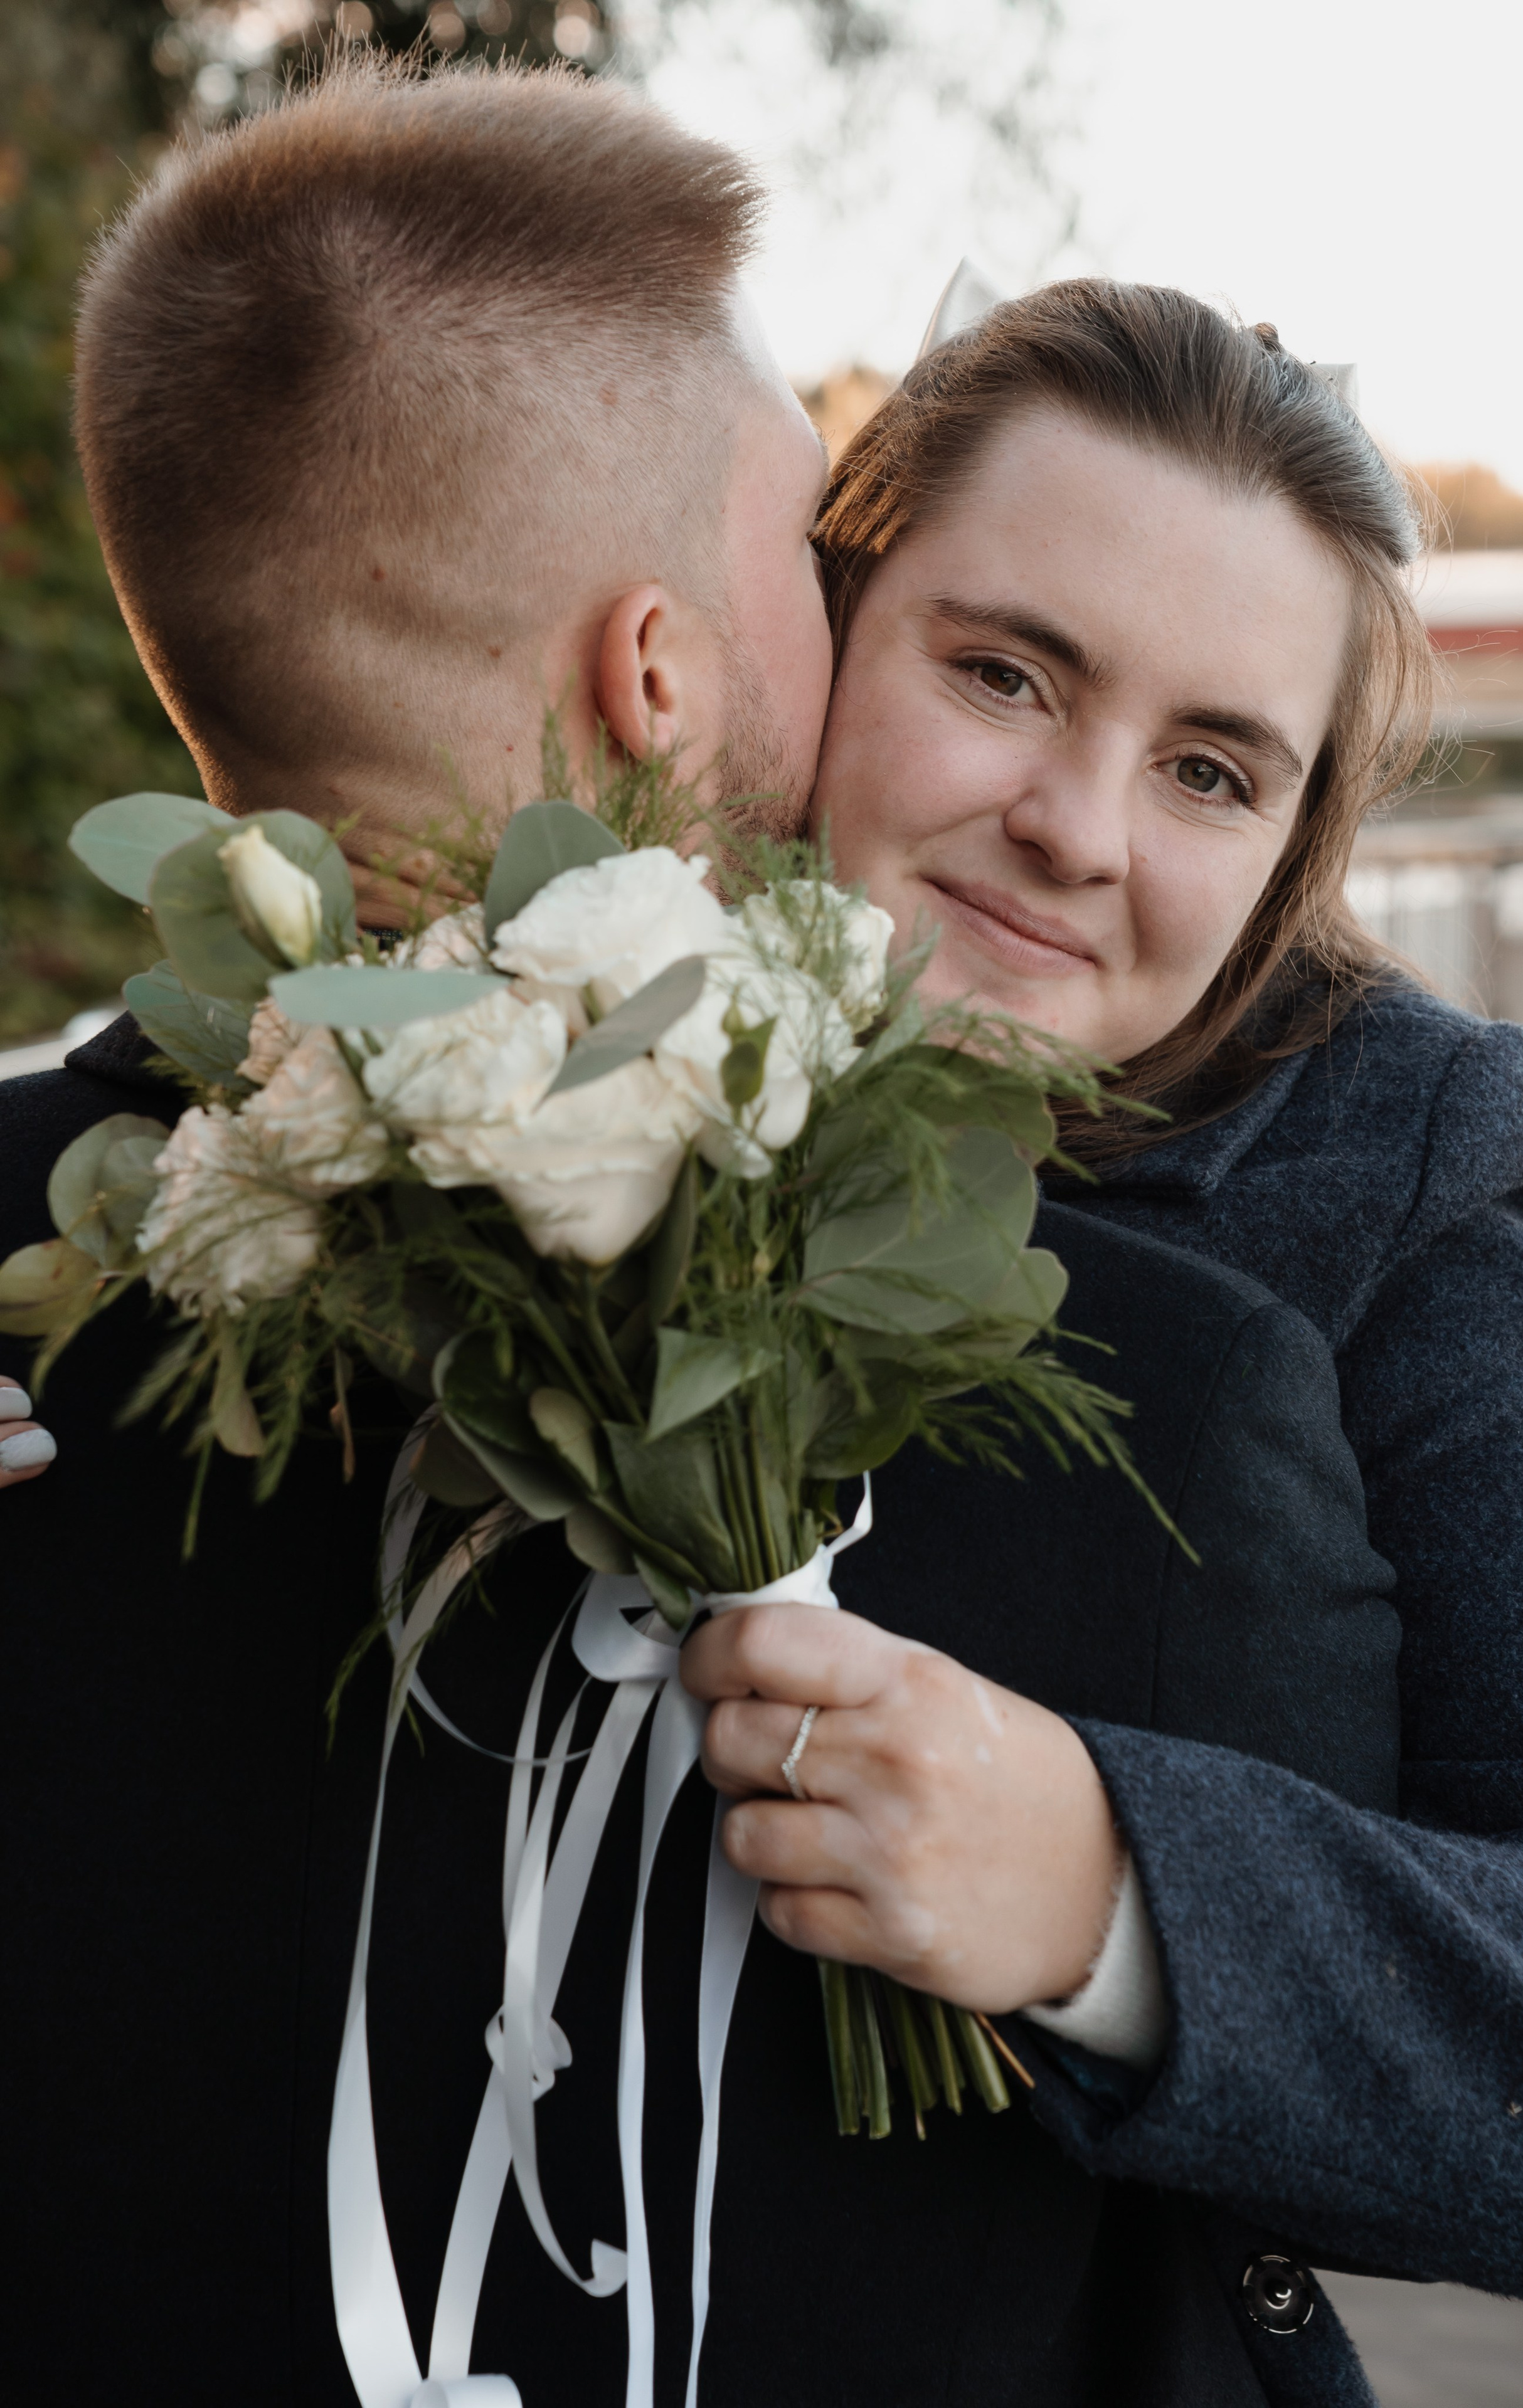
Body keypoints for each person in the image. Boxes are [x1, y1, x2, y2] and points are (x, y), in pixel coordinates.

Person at [3, 62, 1389, 2408]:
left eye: (1213, 766)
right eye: (827, 583)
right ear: (658, 672)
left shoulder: (50, 1286)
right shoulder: (1149, 1403)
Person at [676, 275, 1523, 2399]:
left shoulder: (1392, 1181)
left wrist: (1113, 1895)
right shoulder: (551, 997)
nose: (1080, 830)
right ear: (829, 615)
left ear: (1292, 849)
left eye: (1208, 769)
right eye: (1005, 673)